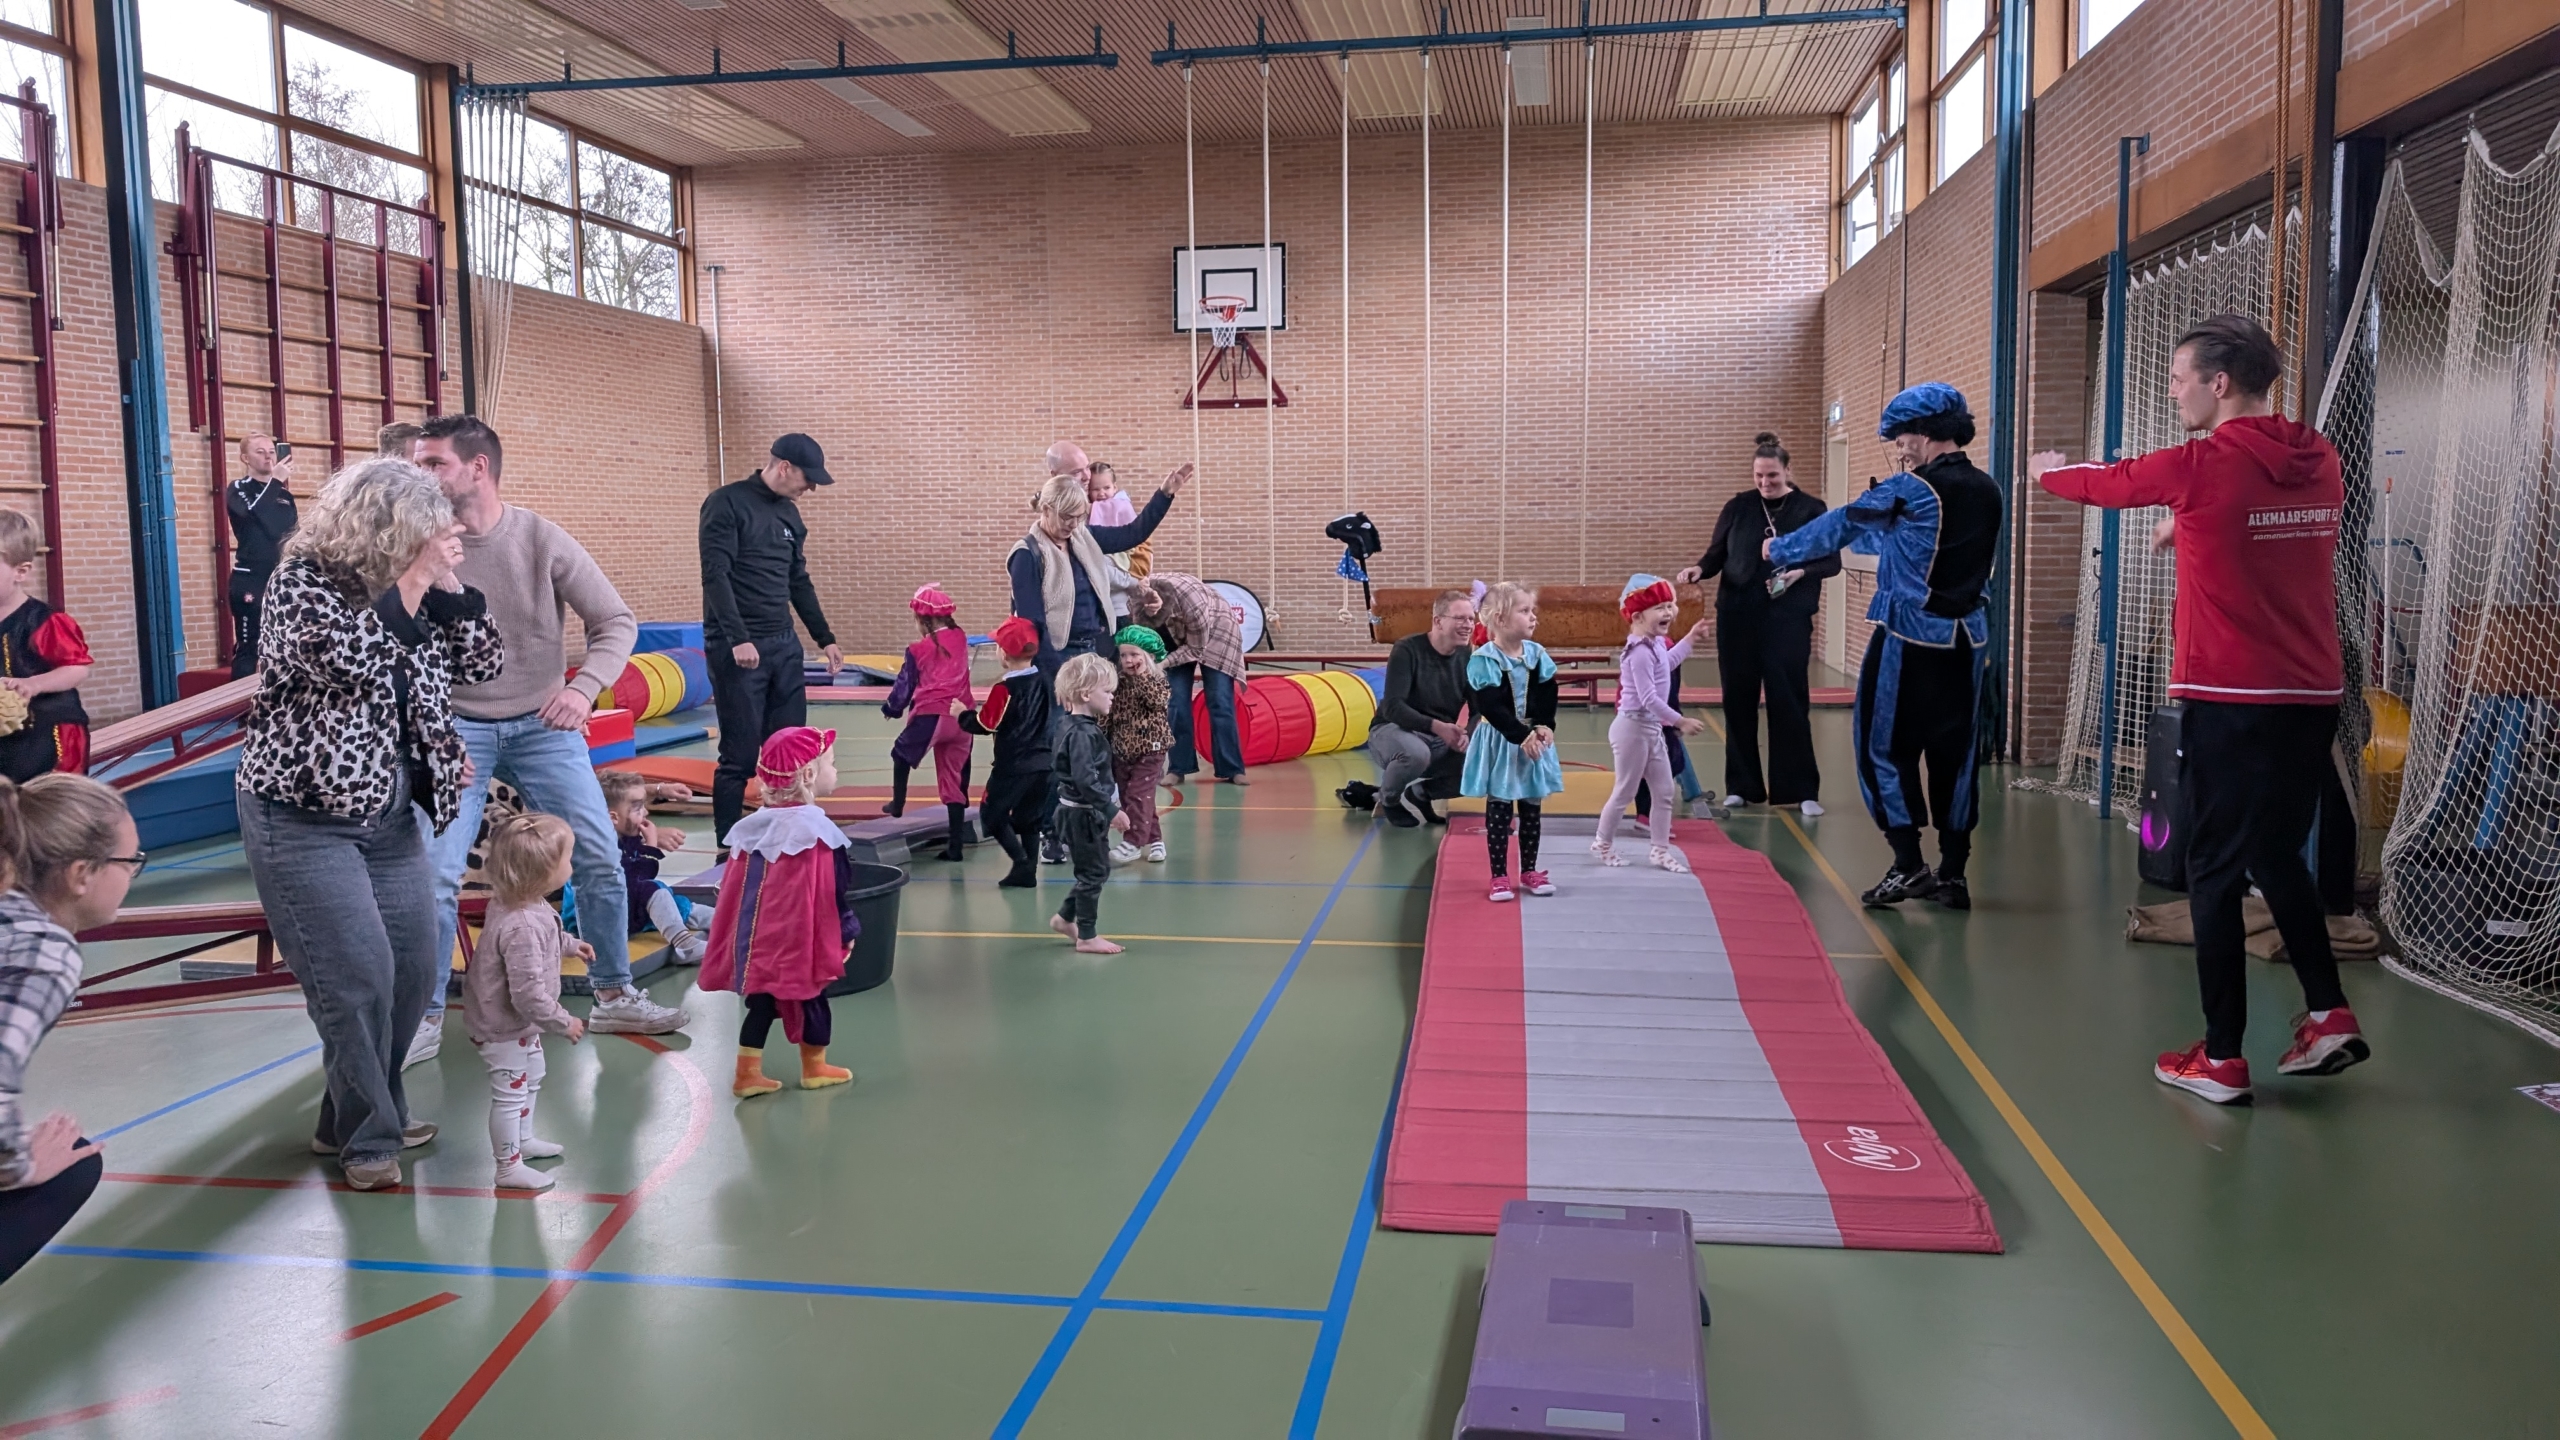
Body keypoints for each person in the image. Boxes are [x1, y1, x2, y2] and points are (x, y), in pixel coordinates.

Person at [2031, 313, 2366, 1105]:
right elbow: (2261, 531)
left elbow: (2106, 483)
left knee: (2211, 869)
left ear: (2220, 384)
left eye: (2182, 378)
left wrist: (2048, 471)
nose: (2176, 390)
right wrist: (2186, 528)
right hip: (2311, 695)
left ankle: (2221, 1058)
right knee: (2278, 854)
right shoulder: (2320, 459)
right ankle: (2328, 1013)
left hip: (2231, 696)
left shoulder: (2200, 463)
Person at [234, 457, 502, 1190]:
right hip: (302, 812)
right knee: (356, 979)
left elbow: (484, 662)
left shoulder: (419, 587)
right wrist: (414, 583)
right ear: (383, 526)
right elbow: (354, 661)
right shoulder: (303, 582)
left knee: (416, 970)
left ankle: (344, 1114)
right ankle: (368, 1137)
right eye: (425, 532)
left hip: (388, 816)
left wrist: (448, 588)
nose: (440, 541)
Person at [412, 413, 683, 1062]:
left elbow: (615, 621)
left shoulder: (538, 538)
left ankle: (614, 994)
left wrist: (582, 689)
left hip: (543, 723)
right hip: (458, 729)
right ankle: (419, 1017)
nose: (420, 475)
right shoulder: (419, 545)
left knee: (598, 853)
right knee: (434, 871)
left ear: (477, 468)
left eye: (433, 463)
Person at [1767, 383, 2001, 911]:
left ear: (1926, 432)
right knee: (1957, 757)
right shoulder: (1989, 488)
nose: (1900, 447)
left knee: (1883, 749)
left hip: (1910, 639)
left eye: (1903, 437)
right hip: (1969, 643)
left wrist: (1781, 547)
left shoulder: (1916, 490)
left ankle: (1907, 863)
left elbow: (1846, 521)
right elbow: (1917, 541)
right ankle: (1953, 874)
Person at [0, 775, 134, 1285]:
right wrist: (19, 1167)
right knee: (72, 1165)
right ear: (82, 874)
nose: (132, 876)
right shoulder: (44, 952)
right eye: (130, 864)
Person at [1679, 432, 1839, 815]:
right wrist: (1698, 569)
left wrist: (1800, 572)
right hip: (1738, 616)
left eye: (1772, 476)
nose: (1765, 483)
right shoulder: (1738, 507)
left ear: (1787, 470)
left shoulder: (1811, 509)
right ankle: (1742, 785)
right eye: (1759, 476)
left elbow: (1831, 562)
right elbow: (1716, 553)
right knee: (1738, 701)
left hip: (1787, 619)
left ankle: (1800, 790)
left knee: (1789, 700)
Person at [702, 434, 846, 847]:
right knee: (741, 757)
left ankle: (788, 840)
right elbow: (715, 575)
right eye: (808, 478)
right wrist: (738, 638)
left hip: (783, 645)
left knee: (792, 752)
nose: (811, 488)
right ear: (784, 467)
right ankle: (726, 851)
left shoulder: (790, 516)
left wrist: (825, 637)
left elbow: (798, 581)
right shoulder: (726, 504)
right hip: (739, 649)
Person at [701, 726, 861, 1099]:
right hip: (797, 943)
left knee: (760, 1005)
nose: (836, 772)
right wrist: (846, 929)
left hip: (758, 946)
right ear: (807, 775)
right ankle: (815, 1067)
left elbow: (737, 895)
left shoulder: (751, 830)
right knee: (812, 1002)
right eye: (831, 765)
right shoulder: (817, 833)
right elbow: (833, 892)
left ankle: (747, 1074)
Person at [462, 811, 588, 1192]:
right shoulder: (521, 924)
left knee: (531, 1078)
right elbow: (527, 992)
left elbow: (547, 939)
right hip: (503, 1025)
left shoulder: (524, 902)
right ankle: (507, 1167)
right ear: (543, 871)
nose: (572, 864)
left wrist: (571, 945)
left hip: (519, 1025)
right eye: (567, 858)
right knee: (509, 1092)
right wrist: (563, 1021)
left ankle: (524, 1139)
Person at [1008, 449, 1191, 677]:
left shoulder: (1083, 536)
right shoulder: (1027, 554)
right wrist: (1054, 674)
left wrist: (1164, 495)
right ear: (1046, 509)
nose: (1073, 525)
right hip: (1058, 655)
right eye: (1066, 517)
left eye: (1079, 517)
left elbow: (1134, 533)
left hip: (1094, 646)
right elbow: (1032, 624)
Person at [1595, 575, 1710, 870]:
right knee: (1625, 791)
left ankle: (1660, 850)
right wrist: (1679, 721)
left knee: (1664, 791)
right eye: (1660, 607)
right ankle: (1603, 843)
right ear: (1637, 616)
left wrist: (1690, 638)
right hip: (1632, 727)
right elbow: (1648, 698)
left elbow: (1669, 662)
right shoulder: (1639, 653)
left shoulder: (1656, 644)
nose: (1669, 612)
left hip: (1650, 728)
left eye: (1670, 606)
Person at [1462, 583, 1564, 902]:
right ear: (1501, 619)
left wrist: (1545, 724)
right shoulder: (1484, 659)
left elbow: (1548, 692)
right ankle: (1499, 876)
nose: (1533, 617)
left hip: (1532, 737)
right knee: (1500, 809)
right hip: (1502, 739)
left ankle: (1530, 870)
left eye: (1533, 610)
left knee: (1531, 807)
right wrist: (1522, 736)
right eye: (1525, 611)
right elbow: (1491, 706)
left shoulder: (1537, 654)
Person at [1127, 571, 1248, 786]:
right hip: (1173, 639)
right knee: (1174, 701)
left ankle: (1232, 768)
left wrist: (1163, 664)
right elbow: (1143, 639)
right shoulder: (1136, 598)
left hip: (1216, 631)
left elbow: (1195, 649)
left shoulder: (1192, 604)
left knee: (1220, 701)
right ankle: (1178, 767)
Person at [881, 583, 974, 862]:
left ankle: (898, 804)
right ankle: (955, 848)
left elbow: (904, 685)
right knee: (953, 781)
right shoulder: (960, 637)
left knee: (900, 755)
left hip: (931, 715)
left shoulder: (917, 649)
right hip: (962, 717)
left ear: (922, 620)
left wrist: (892, 708)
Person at [959, 619, 1053, 888]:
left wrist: (962, 715)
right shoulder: (1045, 678)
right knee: (1029, 819)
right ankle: (1028, 871)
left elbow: (986, 724)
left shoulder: (1004, 689)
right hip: (1044, 763)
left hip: (1013, 766)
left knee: (992, 815)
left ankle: (1021, 862)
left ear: (1003, 653)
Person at [1371, 589, 1475, 828]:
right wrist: (1438, 727)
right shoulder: (1407, 649)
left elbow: (1477, 706)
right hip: (1393, 730)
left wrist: (1468, 732)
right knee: (1416, 754)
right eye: (1460, 618)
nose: (1468, 625)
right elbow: (1393, 708)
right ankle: (1389, 800)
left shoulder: (1466, 655)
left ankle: (1421, 793)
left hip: (1439, 737)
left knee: (1486, 765)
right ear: (1438, 621)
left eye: (1471, 618)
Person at [0, 511, 91, 783]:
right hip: (7, 734)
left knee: (45, 802)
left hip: (49, 733)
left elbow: (77, 668)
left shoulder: (44, 622)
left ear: (21, 572)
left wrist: (35, 684)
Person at [1048, 653, 1130, 954]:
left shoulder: (1067, 724)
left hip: (1075, 812)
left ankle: (1064, 918)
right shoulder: (1083, 732)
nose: (1111, 697)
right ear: (1086, 693)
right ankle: (1087, 936)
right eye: (1107, 692)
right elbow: (1085, 779)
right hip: (1081, 814)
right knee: (1093, 874)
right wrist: (1112, 810)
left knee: (1095, 870)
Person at [598, 770, 709, 966]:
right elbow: (637, 880)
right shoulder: (601, 846)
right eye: (638, 808)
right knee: (655, 890)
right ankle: (684, 944)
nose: (646, 813)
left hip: (633, 906)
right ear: (613, 817)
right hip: (609, 916)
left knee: (690, 908)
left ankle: (740, 928)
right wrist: (650, 847)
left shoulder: (626, 836)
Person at [226, 435, 300, 677]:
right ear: (245, 458)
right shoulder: (238, 489)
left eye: (271, 451)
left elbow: (288, 534)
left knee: (287, 643)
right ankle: (241, 712)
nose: (268, 456)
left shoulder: (284, 496)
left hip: (281, 577)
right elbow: (253, 516)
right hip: (251, 578)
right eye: (260, 452)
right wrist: (276, 481)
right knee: (250, 645)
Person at [1106, 625, 1174, 864]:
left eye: (1134, 655)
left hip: (1151, 749)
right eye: (1124, 655)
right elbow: (1109, 712)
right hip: (1122, 749)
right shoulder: (1118, 682)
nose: (1128, 660)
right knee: (1131, 797)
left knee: (1138, 795)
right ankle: (1155, 840)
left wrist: (1143, 676)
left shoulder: (1157, 681)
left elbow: (1157, 703)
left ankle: (1133, 842)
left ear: (1148, 656)